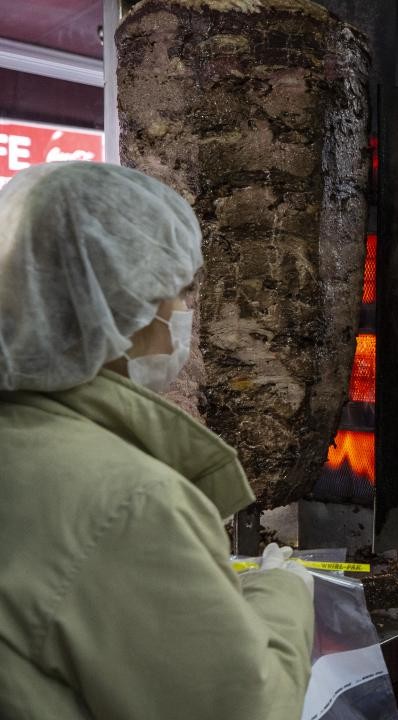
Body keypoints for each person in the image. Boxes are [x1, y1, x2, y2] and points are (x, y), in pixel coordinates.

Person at [0, 162, 315, 719]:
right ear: (118, 307)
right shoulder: (132, 501)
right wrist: (284, 595)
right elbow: (244, 709)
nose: (183, 314)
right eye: (178, 292)